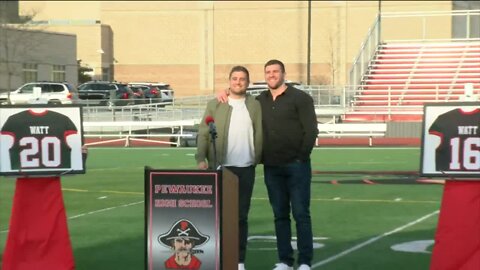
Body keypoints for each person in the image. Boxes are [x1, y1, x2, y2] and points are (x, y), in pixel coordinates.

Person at [217, 59, 318, 270]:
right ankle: (285, 261)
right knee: (280, 215)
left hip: (297, 166)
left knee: (301, 214)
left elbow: (311, 131)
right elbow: (238, 94)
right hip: (272, 167)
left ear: (283, 73)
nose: (271, 75)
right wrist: (225, 92)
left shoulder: (301, 98)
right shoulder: (259, 100)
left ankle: (305, 262)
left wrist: (301, 156)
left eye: (275, 72)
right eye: (268, 72)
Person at [195, 65, 263, 270]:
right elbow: (204, 132)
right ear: (229, 81)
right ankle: (218, 258)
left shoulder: (256, 105)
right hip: (222, 168)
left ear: (248, 83)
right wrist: (200, 157)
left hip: (246, 168)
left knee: (241, 216)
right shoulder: (216, 104)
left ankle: (239, 261)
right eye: (234, 79)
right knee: (219, 216)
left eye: (242, 79)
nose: (238, 82)